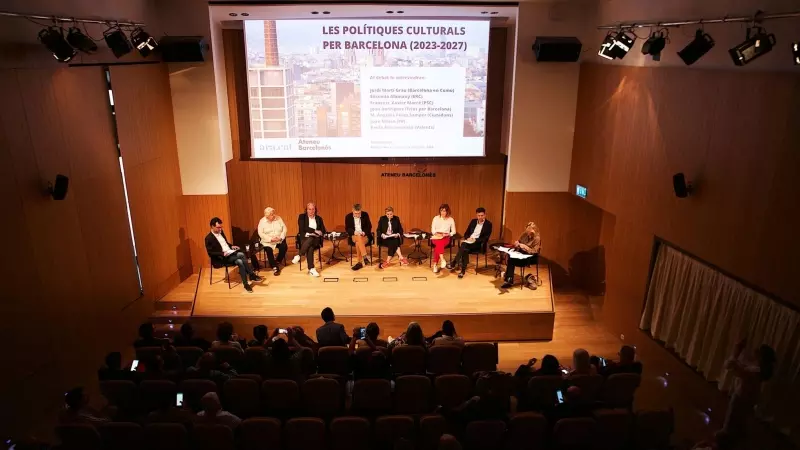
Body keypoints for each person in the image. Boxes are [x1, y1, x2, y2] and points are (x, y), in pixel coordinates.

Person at [720, 340, 776, 440]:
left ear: (761, 358)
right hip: (750, 398)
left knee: (731, 419)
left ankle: (725, 437)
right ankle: (736, 435)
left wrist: (736, 352)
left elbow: (731, 366)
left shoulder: (753, 372)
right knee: (741, 419)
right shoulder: (758, 370)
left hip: (741, 397)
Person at [205, 217, 262, 292]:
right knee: (241, 256)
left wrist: (231, 246)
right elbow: (210, 253)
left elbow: (225, 243)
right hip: (222, 258)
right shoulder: (208, 238)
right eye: (218, 227)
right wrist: (222, 253)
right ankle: (251, 275)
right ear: (212, 226)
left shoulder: (221, 232)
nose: (220, 229)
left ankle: (246, 283)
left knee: (240, 260)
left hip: (230, 253)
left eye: (221, 227)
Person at [449, 207, 493, 278]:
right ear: (476, 215)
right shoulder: (473, 221)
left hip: (478, 244)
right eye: (479, 215)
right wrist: (468, 238)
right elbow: (466, 233)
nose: (480, 217)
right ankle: (462, 270)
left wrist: (475, 240)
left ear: (485, 215)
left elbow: (486, 238)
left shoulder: (488, 224)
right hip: (469, 242)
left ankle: (454, 263)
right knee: (465, 248)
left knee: (463, 245)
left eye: (482, 215)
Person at [501, 221, 541, 289]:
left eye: (529, 232)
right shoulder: (524, 234)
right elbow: (519, 241)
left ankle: (509, 279)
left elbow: (534, 251)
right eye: (527, 231)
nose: (528, 234)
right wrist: (517, 243)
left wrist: (525, 247)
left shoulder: (537, 238)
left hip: (530, 257)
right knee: (511, 257)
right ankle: (509, 280)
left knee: (512, 260)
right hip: (521, 253)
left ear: (533, 231)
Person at [292, 202, 327, 277]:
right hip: (304, 238)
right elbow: (303, 228)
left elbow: (323, 230)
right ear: (306, 210)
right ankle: (311, 269)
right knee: (310, 246)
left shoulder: (318, 218)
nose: (311, 211)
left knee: (311, 239)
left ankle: (299, 255)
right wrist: (315, 231)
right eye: (309, 209)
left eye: (313, 209)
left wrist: (320, 232)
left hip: (316, 239)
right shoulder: (302, 217)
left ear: (315, 210)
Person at [257, 207, 288, 276]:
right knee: (269, 250)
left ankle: (277, 261)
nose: (273, 215)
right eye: (271, 214)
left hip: (278, 239)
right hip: (268, 241)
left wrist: (281, 237)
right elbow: (260, 233)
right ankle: (275, 267)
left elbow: (284, 229)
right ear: (267, 216)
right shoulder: (262, 221)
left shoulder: (279, 218)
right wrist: (270, 239)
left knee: (284, 247)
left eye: (273, 213)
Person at [345, 203, 373, 271]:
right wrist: (354, 232)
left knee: (358, 242)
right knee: (358, 237)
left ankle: (359, 262)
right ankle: (365, 257)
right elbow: (347, 228)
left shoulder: (365, 215)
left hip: (364, 236)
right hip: (354, 236)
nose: (357, 215)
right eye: (356, 213)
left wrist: (364, 232)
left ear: (361, 210)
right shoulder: (348, 217)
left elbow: (369, 226)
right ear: (352, 211)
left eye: (359, 213)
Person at [431, 204, 456, 274]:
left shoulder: (451, 219)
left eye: (444, 211)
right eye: (441, 210)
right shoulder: (435, 218)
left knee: (438, 245)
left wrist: (448, 234)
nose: (442, 212)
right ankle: (442, 259)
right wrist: (436, 234)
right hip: (436, 236)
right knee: (439, 242)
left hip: (446, 237)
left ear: (447, 211)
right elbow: (433, 230)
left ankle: (435, 264)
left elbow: (454, 231)